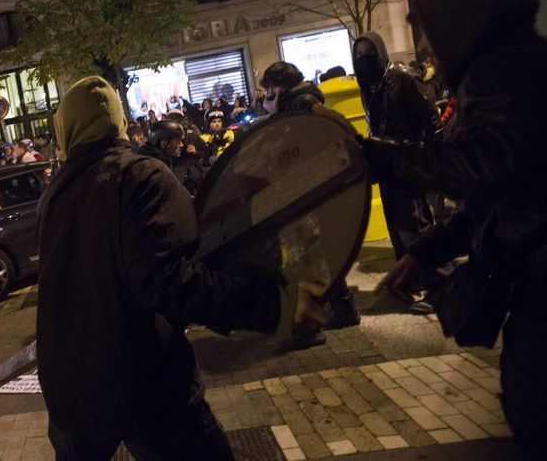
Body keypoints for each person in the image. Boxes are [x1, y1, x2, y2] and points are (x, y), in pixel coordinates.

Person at [38, 76, 328, 460]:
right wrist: (274, 305)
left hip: (70, 394)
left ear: (66, 129)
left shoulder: (54, 195)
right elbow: (173, 282)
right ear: (119, 121)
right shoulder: (142, 178)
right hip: (144, 385)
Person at [368, 0, 547, 457]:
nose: (427, 49)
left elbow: (482, 163)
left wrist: (376, 156)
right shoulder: (511, 65)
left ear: (462, 25)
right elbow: (497, 191)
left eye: (431, 35)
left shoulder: (505, 70)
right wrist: (426, 251)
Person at [259, 61, 361, 342]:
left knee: (311, 253)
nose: (266, 92)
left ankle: (331, 313)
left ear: (279, 84)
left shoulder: (301, 101)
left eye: (269, 86)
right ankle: (339, 309)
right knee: (318, 252)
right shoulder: (294, 100)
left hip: (311, 185)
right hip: (311, 184)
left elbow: (329, 121)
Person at [352, 31, 440, 311]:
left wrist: (432, 159)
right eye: (359, 54)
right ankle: (410, 282)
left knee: (417, 226)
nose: (364, 59)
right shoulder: (370, 85)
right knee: (398, 227)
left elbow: (431, 120)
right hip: (389, 168)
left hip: (411, 164)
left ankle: (434, 285)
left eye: (369, 53)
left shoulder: (401, 78)